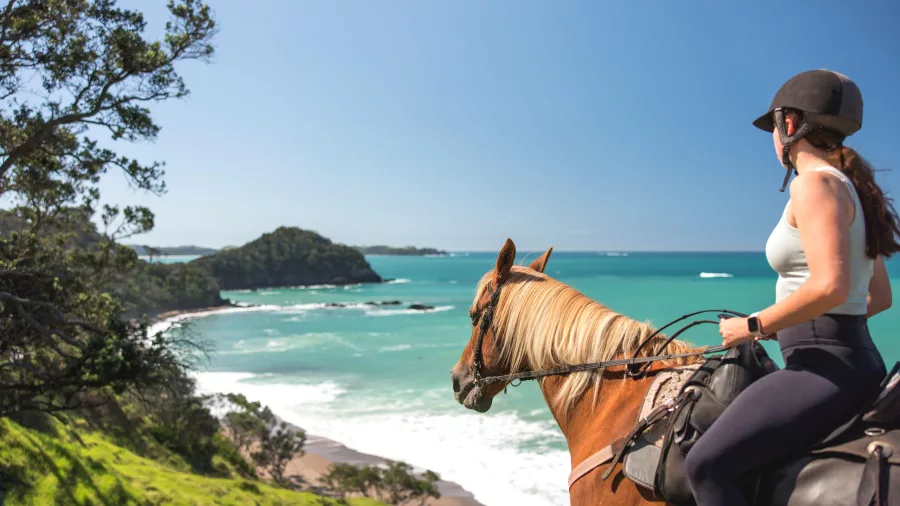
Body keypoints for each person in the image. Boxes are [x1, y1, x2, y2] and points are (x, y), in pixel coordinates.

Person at [683, 69, 900, 505]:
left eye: (773, 128)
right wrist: (792, 326)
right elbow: (877, 297)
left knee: (705, 465)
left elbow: (832, 286)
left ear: (789, 124)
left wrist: (755, 325)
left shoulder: (813, 184)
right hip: (856, 361)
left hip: (821, 371)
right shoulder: (854, 190)